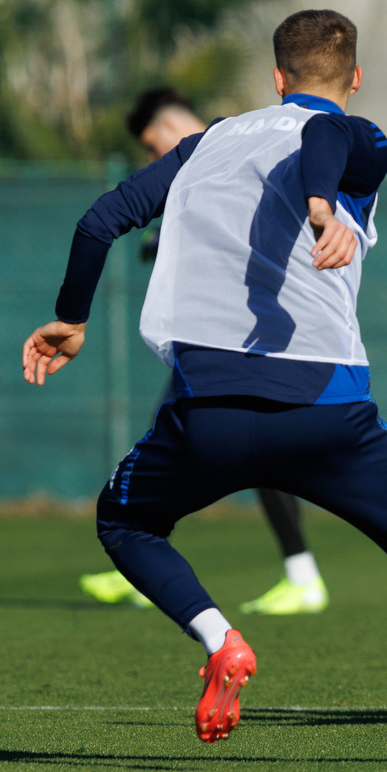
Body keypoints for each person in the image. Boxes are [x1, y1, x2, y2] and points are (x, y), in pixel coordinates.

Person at [23, 9, 387, 758]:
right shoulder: (359, 141)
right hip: (327, 416)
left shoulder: (208, 145)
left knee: (124, 523)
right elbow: (327, 133)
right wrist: (320, 204)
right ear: (355, 79)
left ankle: (220, 638)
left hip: (210, 413)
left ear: (276, 79)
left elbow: (99, 221)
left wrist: (69, 320)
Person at [78, 87, 330, 616]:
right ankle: (144, 555)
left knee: (254, 450)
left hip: (243, 335)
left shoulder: (221, 147)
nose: (153, 158)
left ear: (171, 128)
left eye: (153, 145)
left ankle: (298, 575)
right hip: (214, 334)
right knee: (191, 439)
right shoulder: (223, 148)